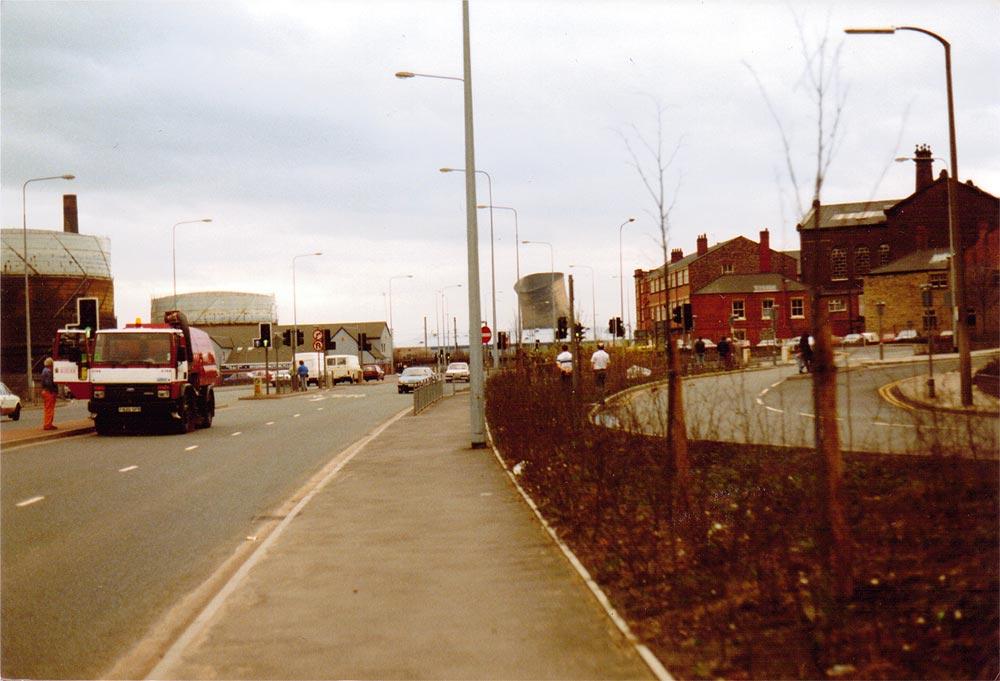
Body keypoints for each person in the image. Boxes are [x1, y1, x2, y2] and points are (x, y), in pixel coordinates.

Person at [41, 357, 58, 430]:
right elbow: (49, 383)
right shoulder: (48, 371)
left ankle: (49, 423)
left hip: (45, 391)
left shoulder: (44, 370)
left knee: (48, 408)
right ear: (51, 364)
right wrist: (53, 391)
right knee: (49, 409)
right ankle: (47, 424)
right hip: (49, 392)